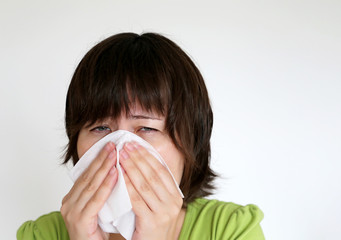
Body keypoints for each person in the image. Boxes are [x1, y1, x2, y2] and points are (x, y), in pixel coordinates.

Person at [17, 32, 264, 240]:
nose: (118, 148)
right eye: (100, 128)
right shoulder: (41, 234)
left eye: (147, 128)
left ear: (191, 144)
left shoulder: (230, 230)